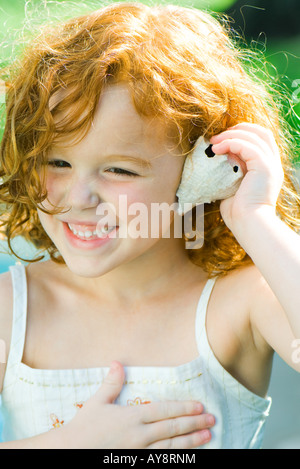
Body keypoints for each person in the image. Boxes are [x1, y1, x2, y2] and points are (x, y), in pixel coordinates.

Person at [0, 1, 299, 449]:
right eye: (55, 161)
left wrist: (255, 219)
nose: (77, 198)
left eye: (119, 170)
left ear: (200, 172)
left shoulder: (238, 302)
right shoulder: (14, 310)